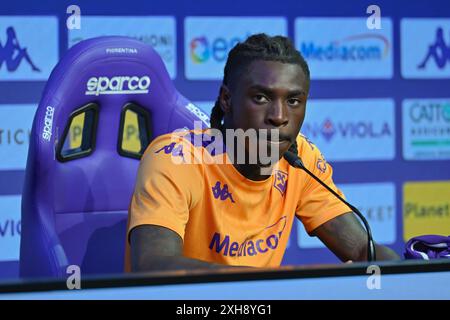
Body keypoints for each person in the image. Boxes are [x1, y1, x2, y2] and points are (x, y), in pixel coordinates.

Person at [125, 34, 399, 272]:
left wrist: (412, 273)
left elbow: (365, 251)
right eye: (261, 98)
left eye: (293, 101)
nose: (279, 117)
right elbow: (154, 264)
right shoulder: (177, 157)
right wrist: (272, 286)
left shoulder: (299, 158)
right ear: (226, 99)